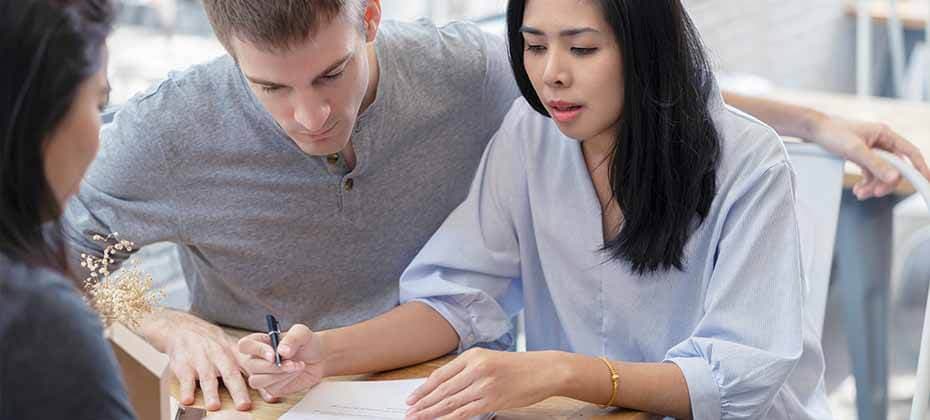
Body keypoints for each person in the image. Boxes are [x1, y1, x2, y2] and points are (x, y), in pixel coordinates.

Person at [62, 0, 929, 413]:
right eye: (269, 89)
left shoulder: (483, 84)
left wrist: (818, 120)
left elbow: (671, 94)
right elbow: (64, 245)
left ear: (369, 20)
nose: (310, 116)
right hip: (315, 396)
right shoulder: (166, 129)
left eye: (331, 75)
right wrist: (197, 330)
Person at [237, 0, 835, 418]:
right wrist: (321, 353)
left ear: (644, 49)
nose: (552, 74)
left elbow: (737, 379)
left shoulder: (749, 164)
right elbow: (461, 297)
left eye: (581, 47)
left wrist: (562, 372)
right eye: (533, 45)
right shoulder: (531, 134)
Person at [0, 0, 135, 418]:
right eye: (98, 104)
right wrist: (155, 318)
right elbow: (86, 263)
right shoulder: (35, 322)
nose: (312, 117)